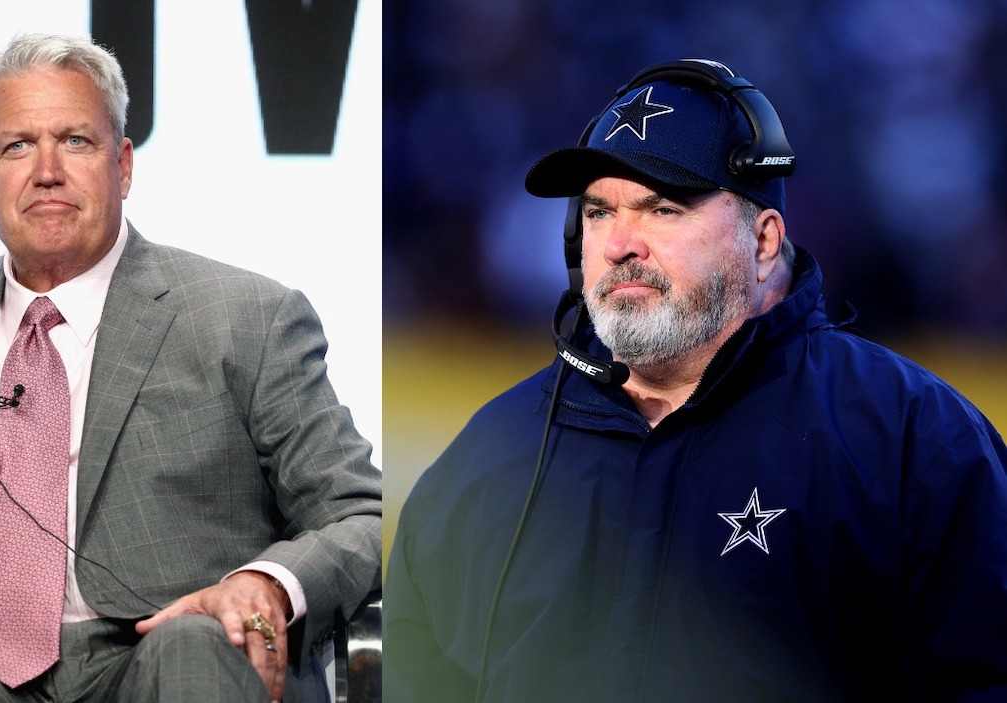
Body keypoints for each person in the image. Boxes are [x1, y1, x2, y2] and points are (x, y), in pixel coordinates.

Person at [0, 33, 381, 703]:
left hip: (160, 653)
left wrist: (267, 583)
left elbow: (362, 513)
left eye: (76, 141)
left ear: (124, 165)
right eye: (17, 145)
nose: (46, 169)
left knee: (199, 646)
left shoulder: (246, 316)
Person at [383, 57, 1007, 702]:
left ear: (764, 240)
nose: (620, 243)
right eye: (598, 212)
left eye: (662, 209)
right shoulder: (487, 458)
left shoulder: (916, 443)